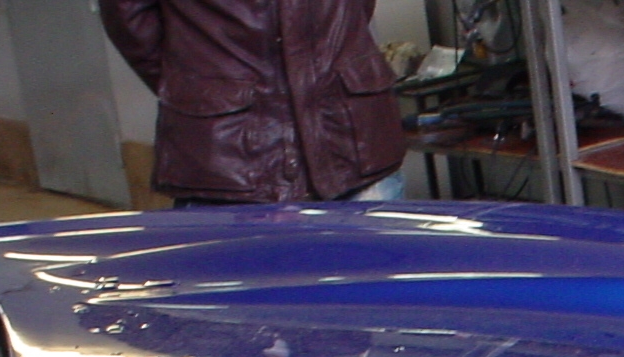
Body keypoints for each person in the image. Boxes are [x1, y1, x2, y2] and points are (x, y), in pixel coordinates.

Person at [99, 0, 407, 205]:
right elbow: (128, 20)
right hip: (228, 164)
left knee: (377, 281)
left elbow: (356, 11)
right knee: (237, 287)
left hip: (353, 143)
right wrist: (200, 91)